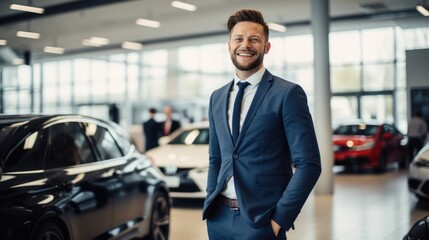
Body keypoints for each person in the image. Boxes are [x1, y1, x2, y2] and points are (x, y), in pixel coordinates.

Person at [202, 9, 322, 240]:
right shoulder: (216, 97)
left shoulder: (287, 94)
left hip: (262, 222)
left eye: (254, 39)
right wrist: (210, 198)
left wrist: (280, 219)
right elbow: (216, 158)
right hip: (218, 218)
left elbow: (308, 164)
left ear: (266, 47)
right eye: (239, 38)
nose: (245, 45)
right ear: (229, 45)